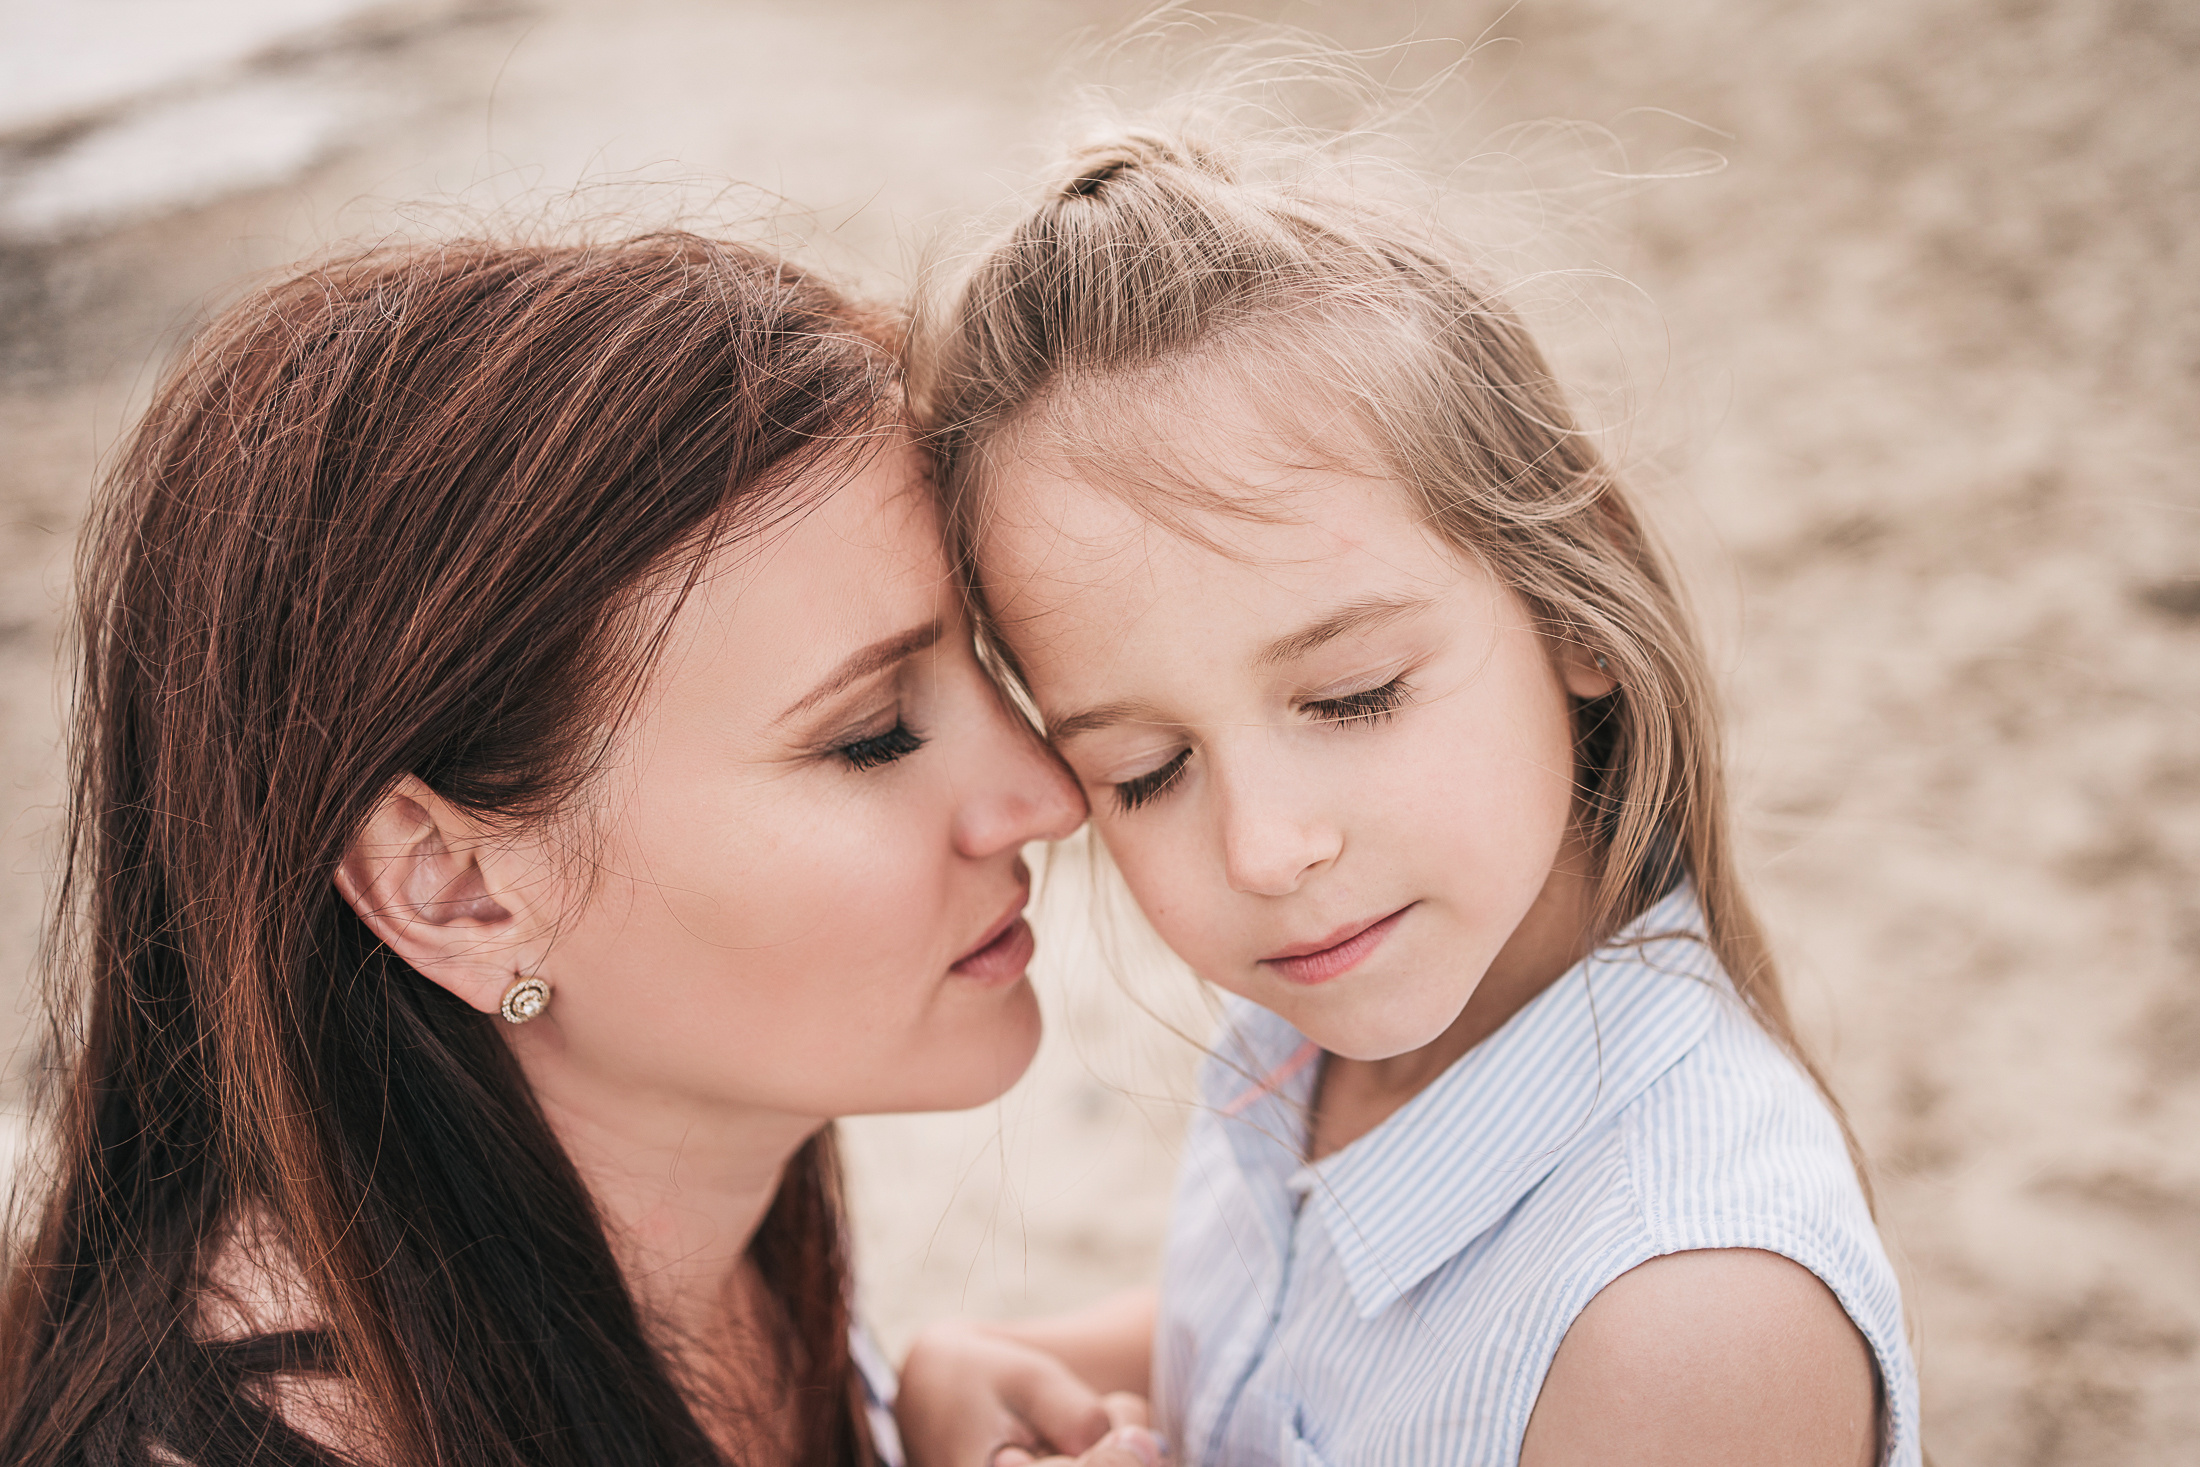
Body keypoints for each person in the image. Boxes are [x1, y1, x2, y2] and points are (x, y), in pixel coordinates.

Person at [0, 232, 1162, 1467]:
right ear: (454, 886)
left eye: (989, 664)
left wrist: (912, 1399)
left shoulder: (672, 1222)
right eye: (872, 738)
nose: (1048, 795)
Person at [895, 125, 1920, 1466]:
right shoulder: (1314, 1039)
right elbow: (1305, 1331)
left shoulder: (1690, 1319)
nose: (1264, 848)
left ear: (1574, 607)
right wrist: (1026, 1363)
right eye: (1145, 770)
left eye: (1353, 694)